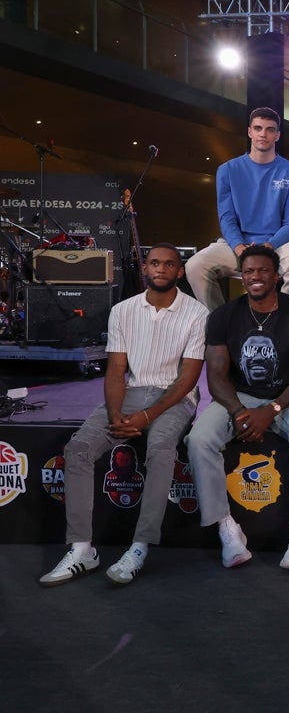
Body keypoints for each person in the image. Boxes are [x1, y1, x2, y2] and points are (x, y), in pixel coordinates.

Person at [39, 244, 208, 587]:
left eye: (169, 264)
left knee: (161, 450)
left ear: (179, 271)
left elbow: (187, 380)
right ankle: (83, 549)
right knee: (79, 449)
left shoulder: (198, 313)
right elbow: (116, 369)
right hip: (130, 394)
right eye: (155, 263)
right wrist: (116, 413)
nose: (161, 269)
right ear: (145, 268)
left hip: (174, 399)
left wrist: (147, 416)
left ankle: (140, 546)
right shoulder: (122, 310)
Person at [185, 245, 289, 572]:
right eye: (248, 271)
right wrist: (237, 410)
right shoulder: (223, 316)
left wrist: (274, 408)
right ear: (241, 276)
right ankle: (227, 528)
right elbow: (216, 374)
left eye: (263, 271)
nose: (255, 277)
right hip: (239, 398)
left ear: (277, 276)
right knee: (199, 439)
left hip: (288, 397)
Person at [186, 108, 289, 310]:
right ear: (249, 132)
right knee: (195, 266)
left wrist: (268, 246)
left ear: (277, 135)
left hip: (278, 244)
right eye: (258, 128)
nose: (263, 134)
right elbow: (227, 218)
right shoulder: (227, 170)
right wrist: (239, 247)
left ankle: (280, 321)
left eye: (270, 130)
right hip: (237, 244)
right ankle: (221, 321)